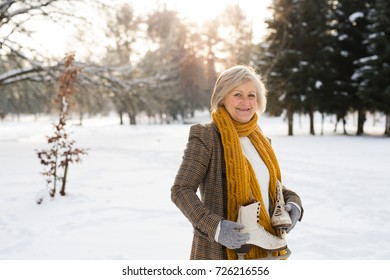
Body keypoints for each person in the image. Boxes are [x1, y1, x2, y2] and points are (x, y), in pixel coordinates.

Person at [171, 65, 303, 260]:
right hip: (220, 253)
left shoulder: (262, 142)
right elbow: (181, 190)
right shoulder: (207, 137)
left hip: (266, 252)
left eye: (251, 95)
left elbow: (270, 186)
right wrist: (216, 227)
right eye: (237, 94)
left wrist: (294, 203)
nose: (245, 102)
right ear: (222, 97)